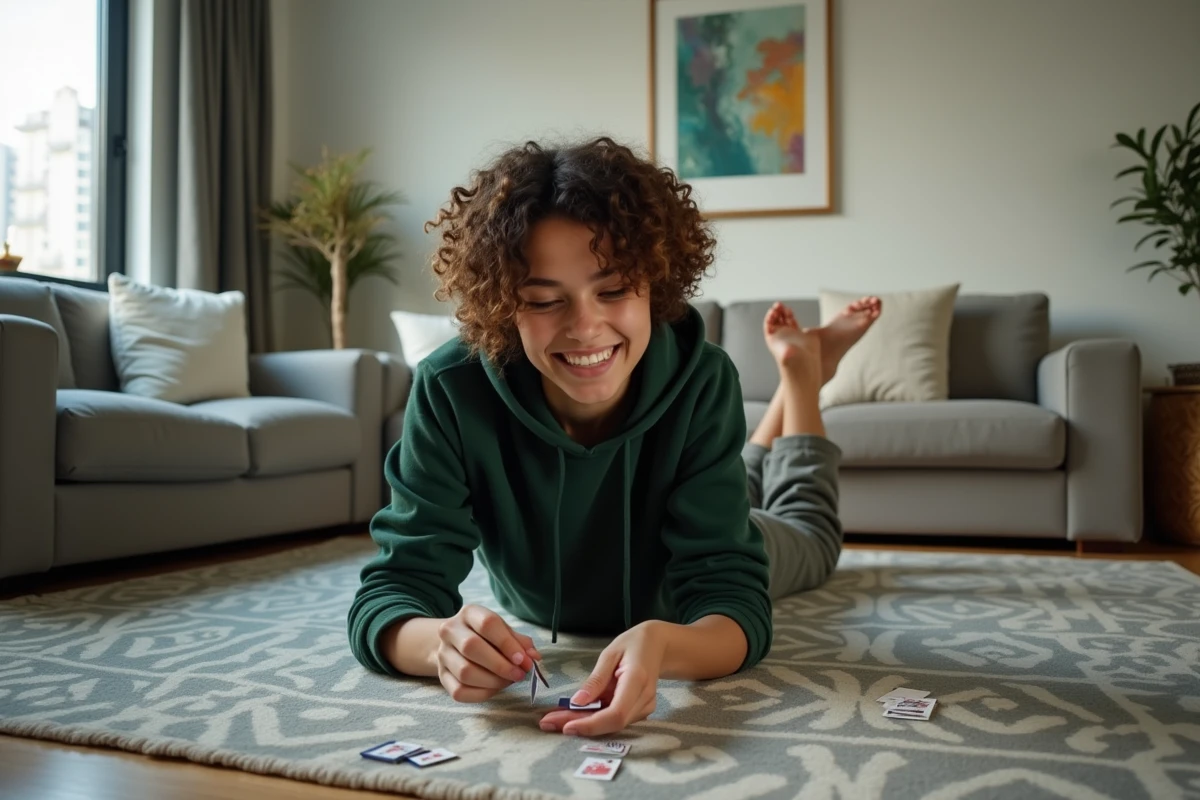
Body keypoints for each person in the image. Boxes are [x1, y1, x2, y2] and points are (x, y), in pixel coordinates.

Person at [347, 136, 881, 738]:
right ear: (503, 307)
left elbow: (735, 601)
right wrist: (438, 645)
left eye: (615, 290)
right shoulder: (450, 387)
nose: (584, 327)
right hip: (666, 518)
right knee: (739, 478)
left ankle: (802, 380)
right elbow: (393, 592)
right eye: (544, 300)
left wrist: (668, 645)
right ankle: (792, 387)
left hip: (691, 581)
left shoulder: (701, 378)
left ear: (655, 285)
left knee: (808, 530)